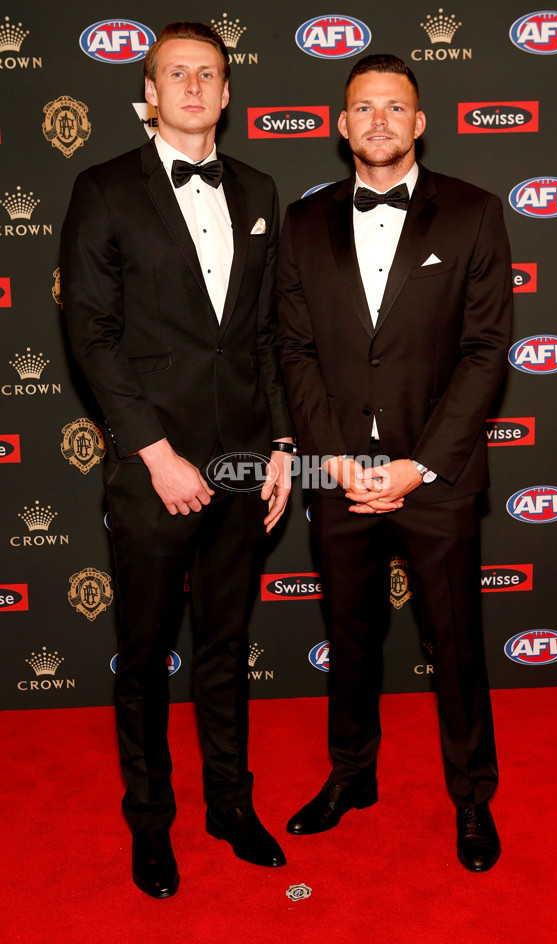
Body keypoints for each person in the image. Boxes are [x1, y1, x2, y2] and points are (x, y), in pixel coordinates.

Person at [61, 21, 294, 898]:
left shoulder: (261, 188)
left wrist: (278, 446)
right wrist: (154, 452)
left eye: (208, 73)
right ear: (150, 93)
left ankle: (229, 806)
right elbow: (91, 332)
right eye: (175, 74)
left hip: (241, 465)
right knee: (147, 650)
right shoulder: (104, 188)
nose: (193, 85)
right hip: (151, 467)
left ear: (227, 94)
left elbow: (266, 336)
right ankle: (149, 823)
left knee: (226, 650)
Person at [276, 54, 512, 872]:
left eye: (394, 108)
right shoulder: (302, 225)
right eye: (362, 107)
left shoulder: (476, 215)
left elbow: (486, 354)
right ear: (342, 127)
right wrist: (333, 459)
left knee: (457, 643)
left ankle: (472, 800)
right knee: (350, 636)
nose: (378, 120)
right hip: (339, 475)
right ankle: (351, 777)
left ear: (419, 123)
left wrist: (418, 467)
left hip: (435, 477)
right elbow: (294, 351)